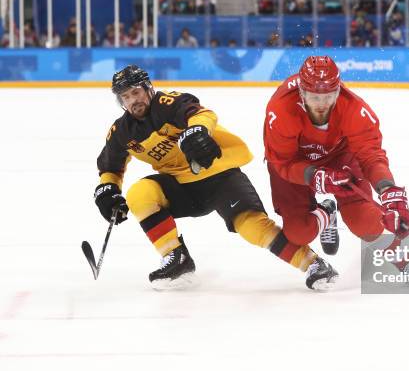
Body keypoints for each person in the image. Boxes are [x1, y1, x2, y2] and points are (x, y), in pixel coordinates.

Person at [94, 65, 338, 291]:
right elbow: (111, 165)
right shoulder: (121, 131)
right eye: (125, 97)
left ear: (148, 88)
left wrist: (197, 130)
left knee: (252, 227)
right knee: (139, 194)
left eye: (135, 92)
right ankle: (176, 258)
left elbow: (202, 114)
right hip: (182, 188)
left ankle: (314, 264)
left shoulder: (166, 103)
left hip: (219, 174)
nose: (132, 101)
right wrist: (108, 188)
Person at [262, 56, 409, 254]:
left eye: (329, 96)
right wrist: (313, 176)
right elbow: (282, 161)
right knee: (299, 233)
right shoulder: (281, 110)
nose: (322, 104)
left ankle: (402, 258)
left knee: (367, 224)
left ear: (338, 90)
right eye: (315, 97)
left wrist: (387, 189)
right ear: (302, 93)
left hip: (339, 158)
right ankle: (328, 212)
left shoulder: (354, 109)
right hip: (296, 163)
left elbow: (371, 156)